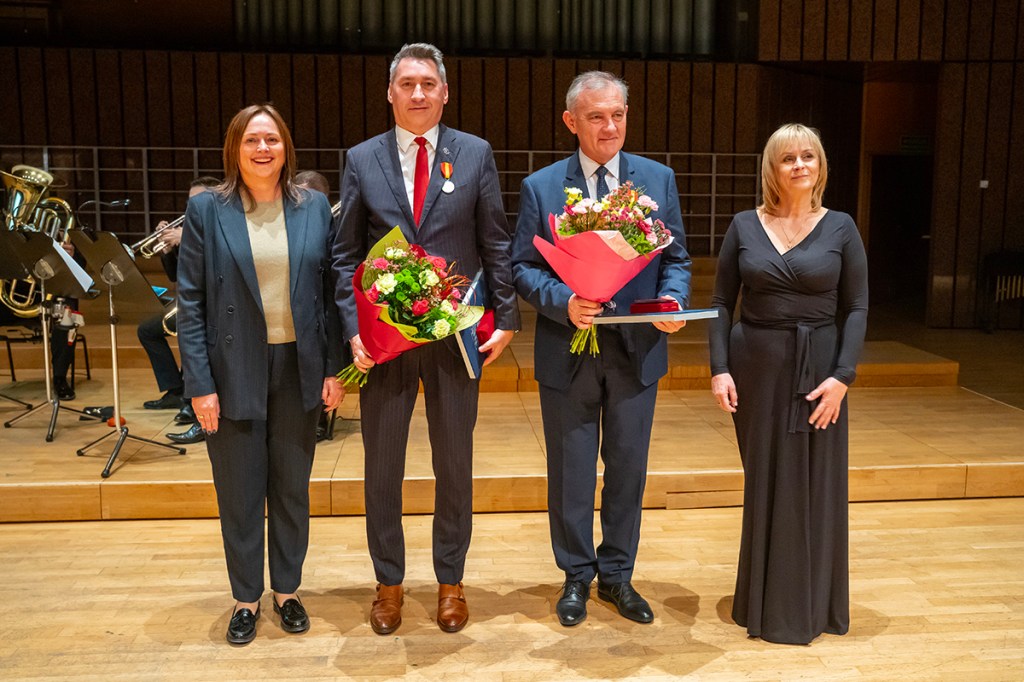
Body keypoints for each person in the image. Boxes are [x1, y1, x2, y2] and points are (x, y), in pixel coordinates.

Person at [332, 42, 520, 635]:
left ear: (445, 93)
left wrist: (507, 316)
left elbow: (495, 240)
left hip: (454, 337)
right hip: (384, 343)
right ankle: (388, 584)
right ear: (390, 93)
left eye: (428, 84)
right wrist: (353, 332)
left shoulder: (475, 153)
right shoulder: (361, 159)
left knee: (455, 465)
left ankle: (450, 582)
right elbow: (344, 256)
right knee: (382, 469)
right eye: (407, 84)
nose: (418, 93)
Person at [511, 71, 692, 627]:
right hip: (568, 349)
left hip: (637, 351)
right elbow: (522, 268)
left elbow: (677, 260)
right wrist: (563, 301)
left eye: (617, 114)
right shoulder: (542, 187)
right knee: (570, 471)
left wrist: (671, 300)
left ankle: (617, 576)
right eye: (596, 116)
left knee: (628, 471)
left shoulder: (657, 180)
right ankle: (575, 576)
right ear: (571, 122)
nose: (609, 126)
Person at [176, 103, 345, 645]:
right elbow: (190, 302)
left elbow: (330, 296)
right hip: (233, 370)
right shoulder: (207, 209)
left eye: (271, 139)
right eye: (252, 140)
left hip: (299, 365)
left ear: (285, 146)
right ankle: (246, 598)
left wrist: (334, 370)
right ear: (235, 148)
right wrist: (200, 384)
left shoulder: (314, 207)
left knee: (292, 489)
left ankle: (287, 591)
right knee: (240, 493)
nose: (263, 149)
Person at [708, 123, 868, 645]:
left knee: (815, 486)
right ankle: (761, 602)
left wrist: (842, 377)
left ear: (820, 166)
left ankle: (808, 607)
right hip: (755, 369)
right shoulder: (744, 224)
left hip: (819, 372)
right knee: (766, 482)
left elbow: (857, 307)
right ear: (771, 169)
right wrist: (719, 368)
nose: (799, 165)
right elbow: (720, 303)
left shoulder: (841, 227)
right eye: (788, 158)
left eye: (808, 156)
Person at [134, 176, 220, 445]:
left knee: (194, 340)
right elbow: (175, 275)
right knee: (148, 330)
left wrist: (187, 239)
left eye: (199, 201)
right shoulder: (191, 228)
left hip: (217, 307)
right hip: (192, 303)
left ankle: (194, 408)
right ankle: (176, 390)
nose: (192, 207)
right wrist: (168, 249)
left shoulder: (221, 226)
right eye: (189, 202)